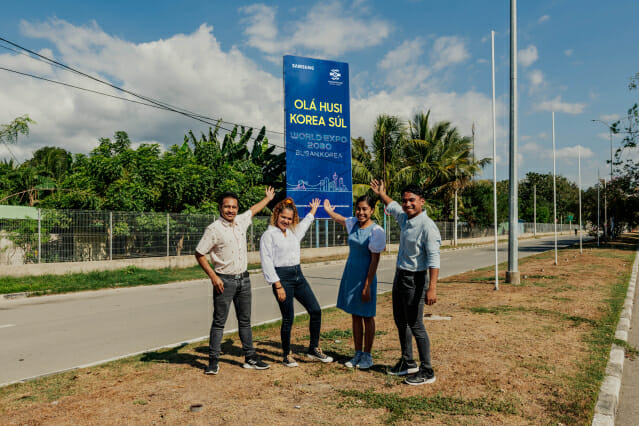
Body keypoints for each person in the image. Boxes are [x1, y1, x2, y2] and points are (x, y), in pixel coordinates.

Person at [195, 187, 275, 375]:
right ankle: (213, 362)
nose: (230, 210)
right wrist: (214, 277)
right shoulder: (213, 229)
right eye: (227, 207)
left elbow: (253, 210)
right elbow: (199, 254)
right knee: (219, 322)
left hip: (244, 280)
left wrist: (267, 198)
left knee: (245, 321)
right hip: (224, 281)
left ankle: (250, 358)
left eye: (234, 207)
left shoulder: (240, 222)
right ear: (220, 208)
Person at [370, 179, 441, 385]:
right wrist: (381, 193)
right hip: (400, 276)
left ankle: (427, 370)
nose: (407, 204)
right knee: (401, 321)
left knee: (416, 324)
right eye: (405, 201)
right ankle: (407, 362)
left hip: (415, 279)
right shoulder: (405, 218)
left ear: (422, 202)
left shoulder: (428, 227)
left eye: (412, 200)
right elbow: (391, 205)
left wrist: (432, 288)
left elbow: (434, 259)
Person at [260, 197, 334, 367]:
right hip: (282, 278)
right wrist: (277, 285)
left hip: (298, 275)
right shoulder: (269, 235)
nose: (286, 221)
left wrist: (313, 210)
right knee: (288, 318)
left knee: (315, 310)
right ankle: (287, 355)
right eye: (283, 217)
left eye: (289, 218)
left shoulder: (294, 232)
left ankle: (313, 349)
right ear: (276, 215)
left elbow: (306, 223)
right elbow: (267, 261)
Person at [323, 196, 385, 370]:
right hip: (351, 275)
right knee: (355, 315)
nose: (361, 212)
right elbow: (339, 219)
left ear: (372, 210)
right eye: (358, 209)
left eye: (365, 209)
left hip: (366, 278)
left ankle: (367, 355)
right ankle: (357, 352)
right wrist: (328, 210)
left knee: (367, 316)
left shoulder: (376, 231)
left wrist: (367, 285)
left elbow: (375, 261)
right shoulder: (353, 224)